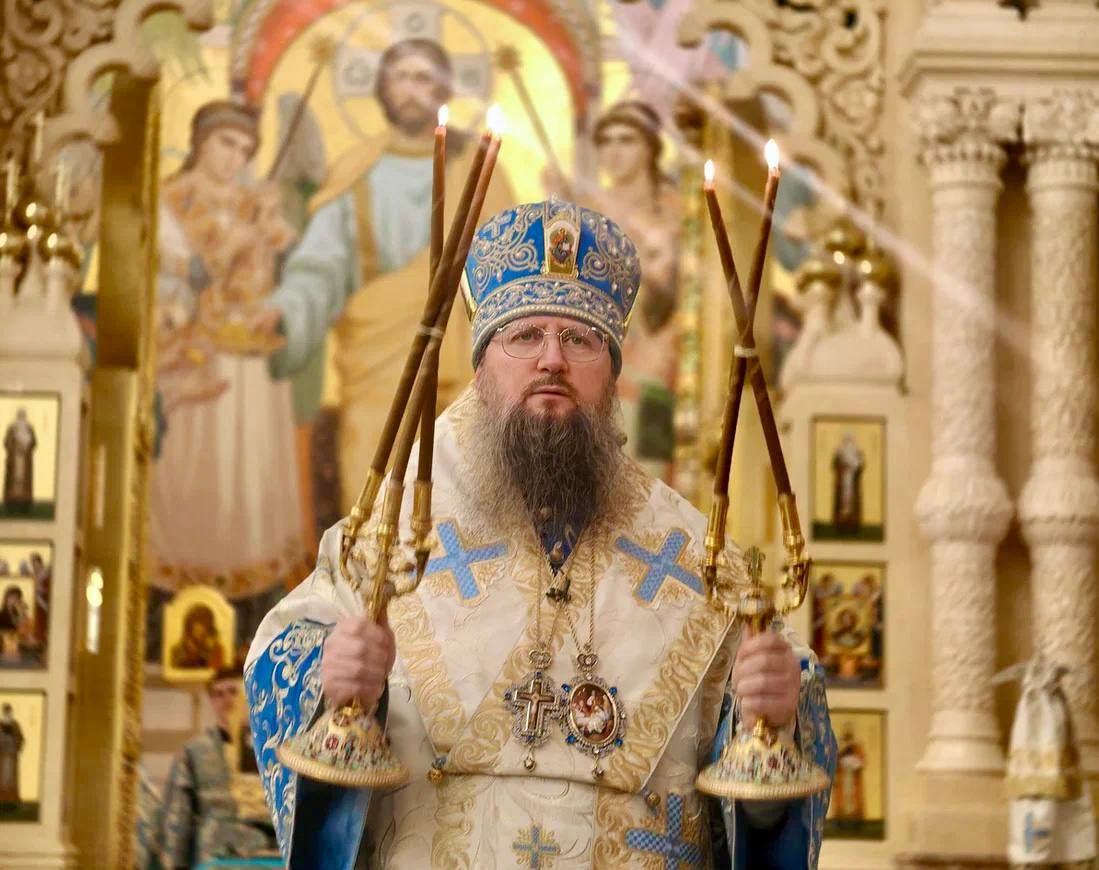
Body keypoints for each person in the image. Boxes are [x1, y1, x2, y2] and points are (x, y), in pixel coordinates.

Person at [246, 201, 836, 867]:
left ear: (612, 372)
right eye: (524, 336)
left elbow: (765, 799)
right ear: (481, 366)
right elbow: (282, 659)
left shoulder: (699, 563)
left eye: (580, 341)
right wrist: (331, 684)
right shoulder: (388, 537)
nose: (551, 360)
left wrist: (777, 716)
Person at [249, 37, 515, 519]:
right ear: (381, 88)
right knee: (370, 503)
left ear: (443, 90)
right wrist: (285, 309)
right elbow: (320, 265)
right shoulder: (356, 171)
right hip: (377, 369)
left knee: (463, 506)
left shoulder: (479, 166)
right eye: (401, 76)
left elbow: (510, 262)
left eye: (424, 77)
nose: (412, 89)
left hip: (464, 365)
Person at [151, 98, 306, 620]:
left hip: (250, 360)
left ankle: (253, 606)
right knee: (193, 471)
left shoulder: (251, 201)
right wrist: (227, 246)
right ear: (200, 140)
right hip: (193, 358)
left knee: (248, 470)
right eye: (226, 143)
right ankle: (171, 595)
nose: (235, 158)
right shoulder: (170, 200)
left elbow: (287, 268)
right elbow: (176, 276)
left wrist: (272, 225)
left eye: (244, 149)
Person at [546, 100, 682, 480]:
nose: (614, 151)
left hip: (662, 342)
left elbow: (683, 281)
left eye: (626, 140)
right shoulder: (587, 208)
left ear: (650, 147)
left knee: (652, 457)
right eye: (605, 142)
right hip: (603, 341)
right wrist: (557, 209)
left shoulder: (676, 208)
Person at [157, 666, 277, 868]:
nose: (226, 700)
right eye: (218, 694)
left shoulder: (274, 749)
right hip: (215, 852)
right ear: (211, 701)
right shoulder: (195, 752)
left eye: (233, 691)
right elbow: (176, 819)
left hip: (269, 853)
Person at [0, 703, 24, 808]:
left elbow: (20, 739)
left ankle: (10, 804)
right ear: (2, 712)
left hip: (11, 758)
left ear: (11, 713)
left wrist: (15, 745)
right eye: (5, 712)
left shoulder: (15, 725)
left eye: (9, 712)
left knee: (9, 781)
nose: (7, 714)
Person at [169, 604, 225, 671]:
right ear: (190, 626)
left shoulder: (215, 648)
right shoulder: (177, 649)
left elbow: (216, 672)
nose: (201, 629)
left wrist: (211, 650)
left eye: (205, 625)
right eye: (198, 624)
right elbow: (175, 671)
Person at [2, 408, 36, 511]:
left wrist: (26, 447)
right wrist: (15, 446)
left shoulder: (29, 428)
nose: (21, 418)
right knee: (13, 479)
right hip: (14, 458)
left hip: (25, 460)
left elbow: (34, 442)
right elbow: (6, 442)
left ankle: (25, 502)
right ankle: (11, 502)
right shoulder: (12, 428)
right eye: (20, 415)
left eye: (23, 415)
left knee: (24, 480)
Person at [831, 432, 865, 533]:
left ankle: (852, 525)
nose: (848, 442)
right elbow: (835, 464)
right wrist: (843, 467)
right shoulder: (839, 451)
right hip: (842, 484)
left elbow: (860, 465)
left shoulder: (857, 452)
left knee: (852, 503)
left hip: (853, 484)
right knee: (842, 503)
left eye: (850, 439)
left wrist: (854, 468)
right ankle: (840, 525)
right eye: (846, 439)